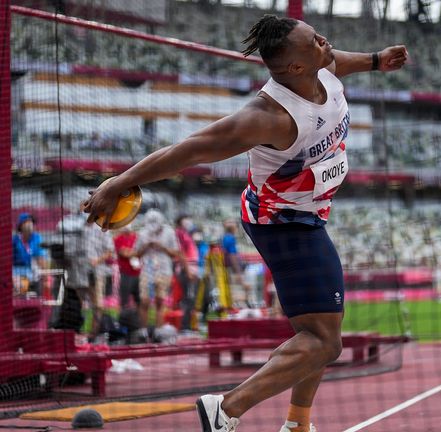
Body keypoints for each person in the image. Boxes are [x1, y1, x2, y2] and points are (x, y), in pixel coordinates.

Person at [81, 14, 407, 432]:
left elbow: (338, 60)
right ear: (294, 68)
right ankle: (226, 408)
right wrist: (121, 181)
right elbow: (192, 149)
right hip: (284, 223)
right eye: (314, 42)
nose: (325, 42)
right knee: (324, 341)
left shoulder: (321, 66)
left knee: (319, 331)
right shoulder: (267, 116)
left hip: (307, 215)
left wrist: (377, 60)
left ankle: (298, 424)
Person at [133, 209, 180, 340]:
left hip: (164, 270)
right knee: (144, 301)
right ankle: (143, 332)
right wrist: (146, 246)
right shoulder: (142, 234)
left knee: (160, 301)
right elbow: (136, 253)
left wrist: (162, 247)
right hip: (147, 270)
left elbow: (175, 253)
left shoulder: (169, 232)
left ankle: (159, 332)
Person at [12, 213, 48, 296]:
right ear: (20, 225)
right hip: (16, 272)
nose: (30, 224)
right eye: (27, 221)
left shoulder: (36, 237)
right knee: (20, 287)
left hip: (31, 271)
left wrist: (45, 276)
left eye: (31, 221)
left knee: (46, 284)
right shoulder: (15, 240)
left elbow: (40, 257)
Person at [175, 215, 200, 331]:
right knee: (188, 298)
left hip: (191, 268)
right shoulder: (179, 233)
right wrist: (188, 270)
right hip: (186, 269)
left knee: (190, 298)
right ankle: (185, 326)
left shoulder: (186, 234)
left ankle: (188, 325)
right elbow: (180, 252)